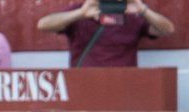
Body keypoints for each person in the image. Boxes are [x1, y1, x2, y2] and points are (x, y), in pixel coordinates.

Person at [36, 0, 175, 67]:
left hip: (124, 86)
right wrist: (80, 14)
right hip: (84, 85)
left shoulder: (133, 14)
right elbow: (43, 25)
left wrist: (143, 10)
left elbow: (167, 29)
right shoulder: (81, 9)